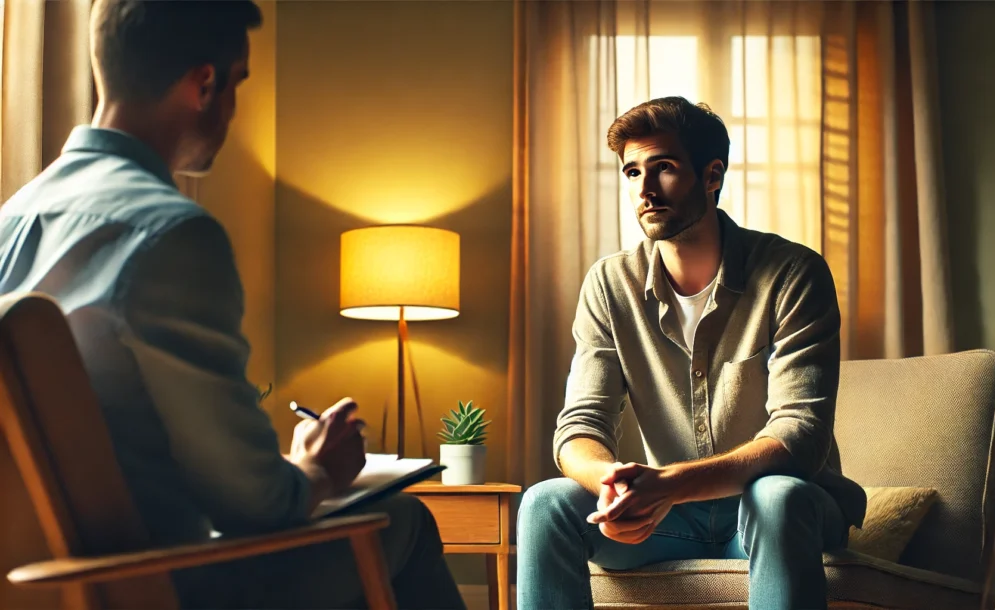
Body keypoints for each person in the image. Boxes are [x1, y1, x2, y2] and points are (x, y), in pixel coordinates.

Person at [0, 1, 464, 608]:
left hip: (42, 586)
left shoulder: (11, 219)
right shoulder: (171, 232)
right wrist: (317, 469)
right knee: (404, 519)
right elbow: (257, 504)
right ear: (205, 82)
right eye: (239, 82)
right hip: (168, 584)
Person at [516, 97, 867, 610]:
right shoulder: (610, 284)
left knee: (778, 495)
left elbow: (800, 437)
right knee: (544, 503)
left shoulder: (793, 273)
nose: (645, 189)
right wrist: (615, 486)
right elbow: (579, 428)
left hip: (775, 514)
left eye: (664, 168)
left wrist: (671, 485)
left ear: (711, 175)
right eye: (632, 171)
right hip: (664, 523)